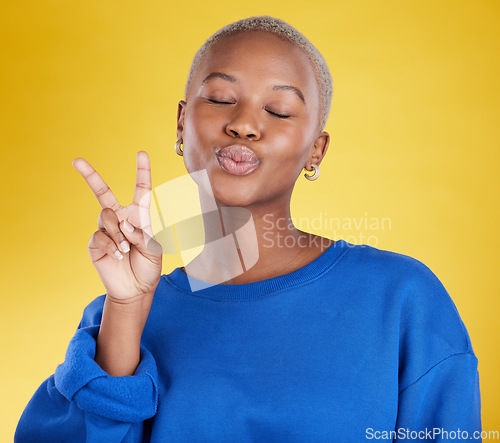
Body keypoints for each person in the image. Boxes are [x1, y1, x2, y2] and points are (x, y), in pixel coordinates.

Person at [15, 15, 481, 442]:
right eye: (220, 99)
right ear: (181, 122)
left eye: (278, 111)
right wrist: (126, 309)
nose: (243, 125)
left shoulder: (401, 300)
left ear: (316, 150)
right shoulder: (118, 316)